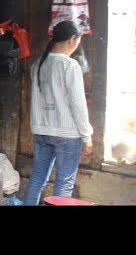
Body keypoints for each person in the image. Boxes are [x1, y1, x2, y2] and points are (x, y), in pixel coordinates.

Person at [23, 20, 93, 205]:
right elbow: (78, 104)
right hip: (67, 133)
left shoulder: (38, 64)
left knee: (37, 179)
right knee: (64, 183)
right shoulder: (70, 66)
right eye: (78, 40)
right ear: (72, 39)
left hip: (42, 131)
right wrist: (86, 136)